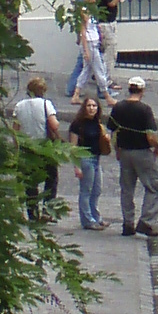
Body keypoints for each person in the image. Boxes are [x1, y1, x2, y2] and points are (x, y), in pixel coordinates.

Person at [110, 75, 158, 238]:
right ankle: (146, 221)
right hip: (142, 152)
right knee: (154, 186)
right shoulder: (145, 109)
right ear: (142, 91)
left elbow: (113, 131)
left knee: (127, 189)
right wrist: (157, 148)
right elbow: (150, 136)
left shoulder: (118, 107)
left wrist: (117, 149)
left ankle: (128, 223)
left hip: (125, 151)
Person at [12, 74, 60, 215]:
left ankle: (32, 212)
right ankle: (47, 209)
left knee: (30, 183)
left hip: (27, 148)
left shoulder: (19, 106)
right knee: (51, 178)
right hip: (45, 147)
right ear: (43, 90)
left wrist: (17, 148)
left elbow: (15, 130)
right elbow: (54, 125)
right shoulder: (46, 104)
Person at [67, 89, 109, 229]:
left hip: (96, 159)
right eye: (89, 106)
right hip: (85, 159)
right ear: (84, 108)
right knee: (86, 190)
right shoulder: (78, 124)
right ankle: (87, 220)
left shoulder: (98, 123)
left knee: (96, 189)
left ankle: (96, 216)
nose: (92, 108)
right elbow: (73, 147)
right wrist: (76, 166)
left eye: (94, 106)